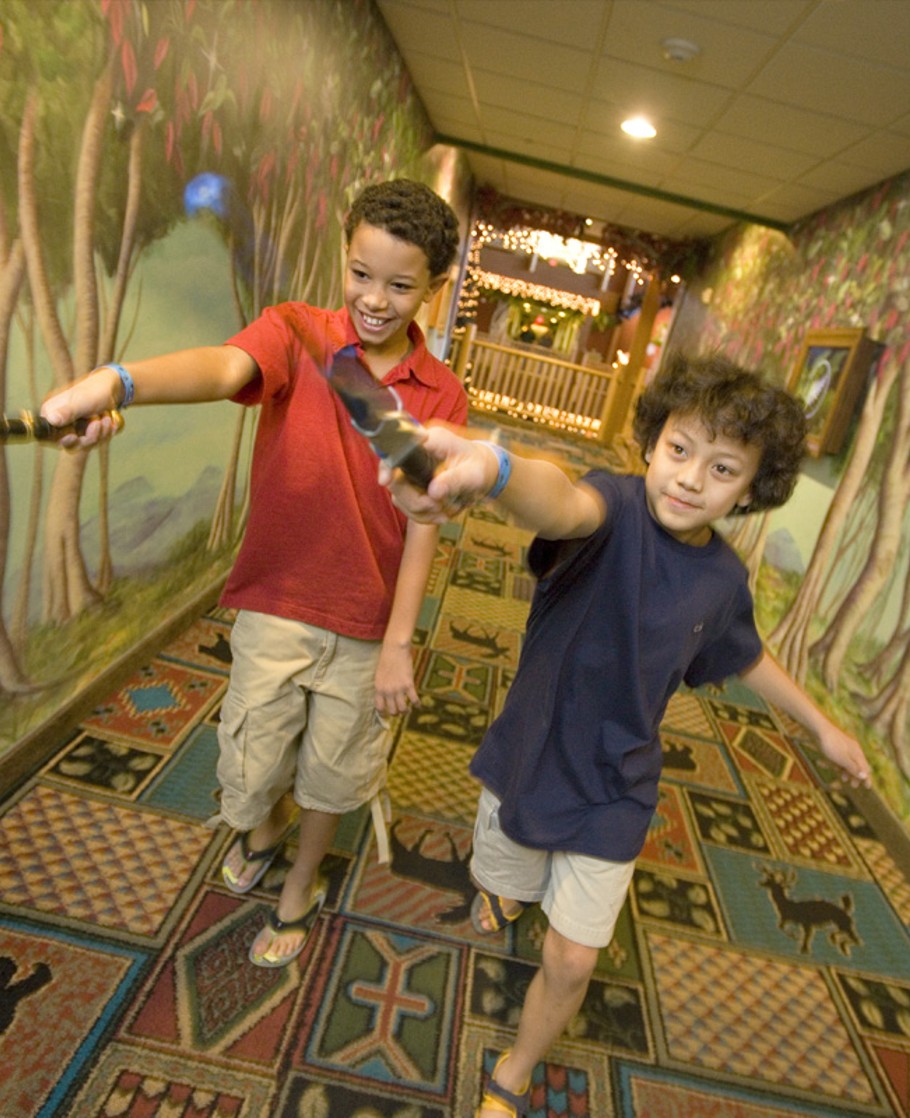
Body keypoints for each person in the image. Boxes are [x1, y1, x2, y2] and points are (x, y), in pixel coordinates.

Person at [382, 352, 871, 1118]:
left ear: (751, 490)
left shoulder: (722, 581)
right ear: (651, 443)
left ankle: (513, 1072)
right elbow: (559, 504)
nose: (689, 479)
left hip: (619, 784)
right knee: (503, 878)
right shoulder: (609, 505)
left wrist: (823, 727)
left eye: (722, 469)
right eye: (679, 450)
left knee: (573, 958)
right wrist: (497, 467)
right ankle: (508, 892)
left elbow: (745, 654)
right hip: (531, 756)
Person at [41, 178, 468, 969]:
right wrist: (118, 381)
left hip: (368, 622)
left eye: (401, 285)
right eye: (360, 273)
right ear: (344, 258)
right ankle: (263, 830)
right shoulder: (298, 332)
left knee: (333, 777)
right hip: (277, 600)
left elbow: (423, 523)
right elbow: (221, 365)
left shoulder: (440, 393)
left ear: (434, 292)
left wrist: (402, 640)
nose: (374, 298)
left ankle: (301, 878)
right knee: (250, 766)